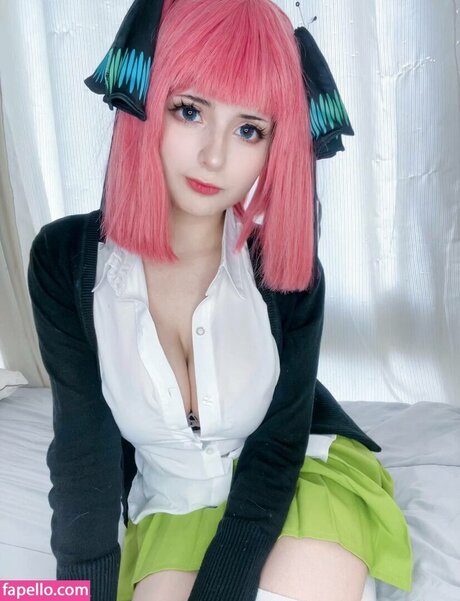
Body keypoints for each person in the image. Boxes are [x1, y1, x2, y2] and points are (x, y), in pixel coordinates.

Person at [27, 0, 413, 600]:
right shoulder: (63, 260)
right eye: (189, 111)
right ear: (145, 104)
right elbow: (83, 453)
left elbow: (279, 446)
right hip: (173, 499)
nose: (215, 156)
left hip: (298, 477)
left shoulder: (286, 272)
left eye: (248, 129)